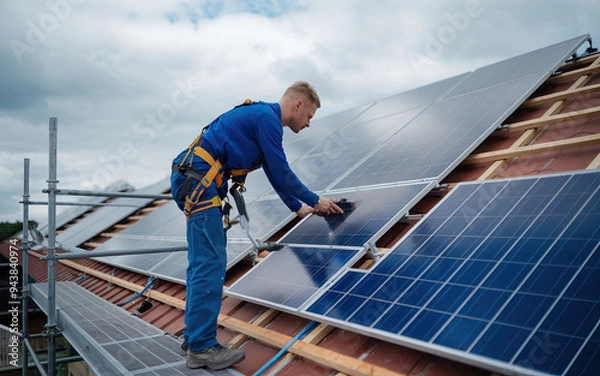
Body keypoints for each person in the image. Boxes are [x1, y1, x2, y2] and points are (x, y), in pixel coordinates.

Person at [170, 81, 343, 370]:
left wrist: (299, 207)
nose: (310, 123)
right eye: (310, 116)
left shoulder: (263, 120)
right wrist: (315, 199)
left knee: (201, 263)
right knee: (210, 263)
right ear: (297, 105)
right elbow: (282, 169)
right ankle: (201, 347)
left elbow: (275, 174)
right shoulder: (267, 119)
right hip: (199, 182)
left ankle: (193, 336)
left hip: (194, 179)